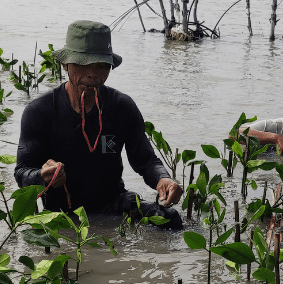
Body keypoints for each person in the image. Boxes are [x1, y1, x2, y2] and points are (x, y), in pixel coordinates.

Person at [14, 20, 183, 229]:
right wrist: (42, 176)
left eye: (101, 65)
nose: (92, 73)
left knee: (171, 219)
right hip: (61, 213)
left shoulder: (122, 107)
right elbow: (22, 173)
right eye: (83, 64)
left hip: (113, 204)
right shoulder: (39, 111)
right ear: (65, 64)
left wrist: (163, 180)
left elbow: (146, 160)